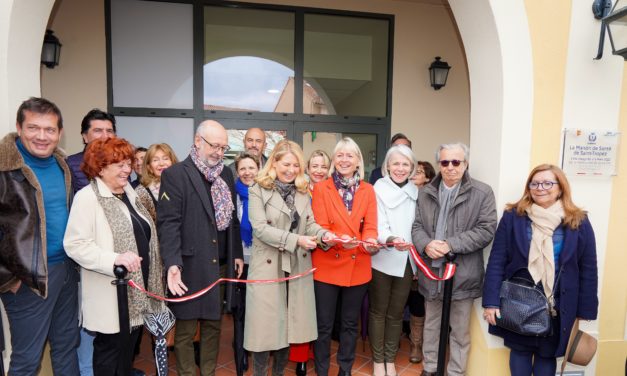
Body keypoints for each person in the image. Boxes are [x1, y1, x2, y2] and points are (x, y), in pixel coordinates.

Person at [63, 137, 168, 376]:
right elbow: (75, 244)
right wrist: (113, 259)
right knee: (110, 354)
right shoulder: (87, 198)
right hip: (111, 293)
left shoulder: (128, 192)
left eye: (128, 163)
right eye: (119, 164)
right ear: (100, 167)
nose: (127, 169)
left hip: (136, 292)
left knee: (126, 354)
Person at [482, 164, 598, 376]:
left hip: (558, 304)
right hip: (519, 300)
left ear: (560, 187)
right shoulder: (513, 216)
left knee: (547, 355)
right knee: (519, 351)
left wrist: (585, 309)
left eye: (547, 183)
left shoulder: (578, 220)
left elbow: (588, 268)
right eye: (534, 183)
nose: (540, 188)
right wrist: (491, 301)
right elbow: (497, 259)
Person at [0, 97, 80, 375]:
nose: (42, 136)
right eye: (34, 128)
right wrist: (8, 278)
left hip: (67, 271)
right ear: (19, 128)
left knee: (67, 346)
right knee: (27, 361)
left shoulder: (63, 165)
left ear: (59, 133)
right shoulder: (4, 170)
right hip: (28, 280)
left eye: (50, 130)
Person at [158, 120, 244, 376]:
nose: (219, 152)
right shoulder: (175, 175)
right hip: (190, 266)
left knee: (213, 325)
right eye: (215, 146)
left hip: (220, 264)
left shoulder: (226, 173)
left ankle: (208, 372)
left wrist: (236, 253)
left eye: (224, 147)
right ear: (198, 141)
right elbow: (168, 223)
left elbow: (232, 220)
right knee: (185, 329)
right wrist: (172, 262)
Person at [244, 140, 335, 376]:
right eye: (286, 164)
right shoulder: (257, 189)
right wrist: (296, 240)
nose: (291, 170)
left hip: (296, 267)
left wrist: (324, 235)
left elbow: (310, 224)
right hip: (268, 268)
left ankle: (279, 373)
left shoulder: (303, 191)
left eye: (296, 165)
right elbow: (260, 229)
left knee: (290, 328)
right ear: (274, 162)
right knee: (264, 331)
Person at [411, 142, 497, 376]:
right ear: (439, 164)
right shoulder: (426, 192)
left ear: (466, 164)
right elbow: (417, 226)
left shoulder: (482, 192)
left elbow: (486, 229)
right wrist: (426, 245)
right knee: (431, 325)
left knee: (459, 331)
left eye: (456, 162)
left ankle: (456, 372)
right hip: (432, 273)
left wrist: (451, 245)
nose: (450, 167)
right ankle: (429, 369)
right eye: (445, 162)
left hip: (463, 274)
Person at [311, 137, 380, 376]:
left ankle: (345, 370)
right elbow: (319, 225)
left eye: (350, 155)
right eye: (340, 155)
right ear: (334, 160)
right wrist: (337, 239)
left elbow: (370, 226)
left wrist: (370, 241)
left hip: (358, 265)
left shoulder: (368, 190)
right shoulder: (321, 188)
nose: (344, 160)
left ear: (358, 160)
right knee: (323, 325)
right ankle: (321, 370)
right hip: (327, 264)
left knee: (350, 324)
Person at [370, 145, 419, 376]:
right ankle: (378, 360)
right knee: (378, 311)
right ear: (387, 166)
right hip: (382, 257)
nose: (400, 168)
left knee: (396, 313)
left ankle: (390, 358)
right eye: (396, 163)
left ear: (412, 168)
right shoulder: (377, 189)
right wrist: (390, 238)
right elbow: (375, 225)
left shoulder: (417, 192)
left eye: (405, 164)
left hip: (407, 262)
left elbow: (418, 228)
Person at [288, 149, 332, 376]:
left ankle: (319, 354)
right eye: (315, 166)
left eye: (323, 166)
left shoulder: (334, 191)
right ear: (307, 167)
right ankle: (301, 358)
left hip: (327, 255)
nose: (319, 170)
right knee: (303, 309)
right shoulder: (299, 189)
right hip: (303, 254)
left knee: (322, 312)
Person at [232, 152, 261, 376]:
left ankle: (258, 349)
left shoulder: (266, 193)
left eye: (252, 168)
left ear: (259, 169)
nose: (247, 172)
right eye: (243, 168)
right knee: (240, 311)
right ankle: (240, 354)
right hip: (240, 261)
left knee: (258, 311)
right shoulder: (232, 194)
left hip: (262, 261)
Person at [406, 160, 436, 364]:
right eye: (412, 172)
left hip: (422, 256)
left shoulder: (432, 199)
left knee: (418, 302)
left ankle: (417, 344)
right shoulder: (402, 194)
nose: (413, 175)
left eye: (418, 172)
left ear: (427, 177)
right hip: (399, 256)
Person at [67, 109, 117, 194]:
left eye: (109, 131)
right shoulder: (69, 164)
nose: (105, 136)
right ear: (85, 137)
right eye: (98, 130)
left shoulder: (120, 163)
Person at [135, 143, 179, 222]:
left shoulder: (182, 185)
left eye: (165, 158)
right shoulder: (141, 193)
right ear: (149, 167)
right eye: (155, 160)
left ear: (173, 162)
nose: (161, 163)